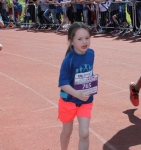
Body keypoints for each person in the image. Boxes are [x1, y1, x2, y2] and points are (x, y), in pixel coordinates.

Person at [58, 22, 98, 150]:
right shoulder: (68, 60)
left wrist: (89, 87)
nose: (84, 41)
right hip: (68, 101)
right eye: (80, 39)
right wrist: (78, 94)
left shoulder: (91, 53)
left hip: (85, 100)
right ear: (71, 41)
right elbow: (62, 83)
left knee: (84, 134)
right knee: (67, 132)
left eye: (87, 38)